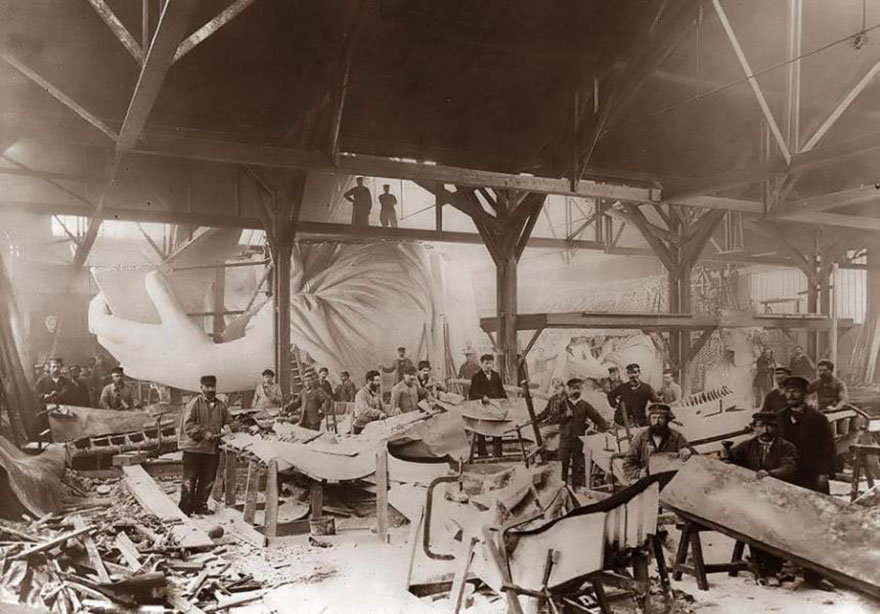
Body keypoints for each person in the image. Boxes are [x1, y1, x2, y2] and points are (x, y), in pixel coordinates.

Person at [776, 375, 837, 590]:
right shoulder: (778, 418)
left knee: (815, 524)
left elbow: (829, 449)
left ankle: (814, 575)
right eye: (787, 391)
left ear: (804, 394)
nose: (791, 395)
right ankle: (785, 569)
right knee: (784, 522)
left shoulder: (818, 419)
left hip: (812, 478)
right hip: (786, 477)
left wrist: (824, 473)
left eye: (795, 391)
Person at [728, 411, 798, 586]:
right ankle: (762, 568)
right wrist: (727, 460)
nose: (766, 430)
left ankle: (773, 569)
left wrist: (771, 474)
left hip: (777, 498)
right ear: (754, 428)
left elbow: (789, 467)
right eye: (761, 426)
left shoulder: (786, 447)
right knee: (754, 521)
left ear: (776, 428)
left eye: (770, 426)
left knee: (775, 525)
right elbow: (731, 463)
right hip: (752, 498)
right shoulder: (745, 447)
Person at [535, 377, 608, 487]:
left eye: (579, 388)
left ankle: (576, 487)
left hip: (579, 439)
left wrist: (607, 428)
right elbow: (553, 419)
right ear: (568, 389)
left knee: (578, 465)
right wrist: (565, 415)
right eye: (574, 388)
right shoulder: (562, 404)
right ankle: (562, 486)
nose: (576, 391)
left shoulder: (584, 405)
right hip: (565, 439)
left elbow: (596, 417)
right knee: (562, 463)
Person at [178, 375, 233, 516]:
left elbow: (229, 421)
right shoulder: (194, 403)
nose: (210, 389)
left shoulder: (221, 406)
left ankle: (200, 507)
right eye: (207, 387)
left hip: (211, 450)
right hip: (193, 450)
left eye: (212, 386)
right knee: (189, 480)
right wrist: (203, 433)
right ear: (201, 388)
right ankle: (185, 510)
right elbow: (188, 425)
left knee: (208, 481)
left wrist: (229, 426)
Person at [622, 403, 692, 481]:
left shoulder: (676, 436)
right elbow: (627, 464)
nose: (657, 422)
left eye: (661, 418)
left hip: (672, 480)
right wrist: (638, 473)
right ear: (649, 419)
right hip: (648, 481)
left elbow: (691, 454)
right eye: (654, 418)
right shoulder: (640, 438)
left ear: (667, 420)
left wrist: (686, 451)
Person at [469, 354, 507, 457]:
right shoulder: (476, 377)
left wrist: (505, 401)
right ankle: (482, 454)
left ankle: (498, 453)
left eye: (490, 363)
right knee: (482, 430)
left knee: (497, 429)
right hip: (482, 408)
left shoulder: (496, 375)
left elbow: (501, 391)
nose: (489, 366)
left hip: (495, 407)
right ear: (481, 364)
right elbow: (472, 394)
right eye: (486, 363)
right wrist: (482, 397)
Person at [607, 363, 659, 428]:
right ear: (627, 374)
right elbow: (610, 395)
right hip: (621, 423)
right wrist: (615, 405)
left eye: (635, 372)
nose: (633, 375)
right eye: (630, 373)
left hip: (639, 422)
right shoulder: (623, 387)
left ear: (639, 373)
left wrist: (653, 415)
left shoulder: (646, 388)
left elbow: (657, 402)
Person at [353, 370, 389, 434]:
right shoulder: (361, 394)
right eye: (377, 380)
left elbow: (383, 407)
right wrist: (379, 413)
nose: (379, 383)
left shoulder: (376, 394)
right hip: (361, 426)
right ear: (369, 381)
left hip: (373, 425)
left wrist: (391, 413)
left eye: (379, 381)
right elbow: (365, 410)